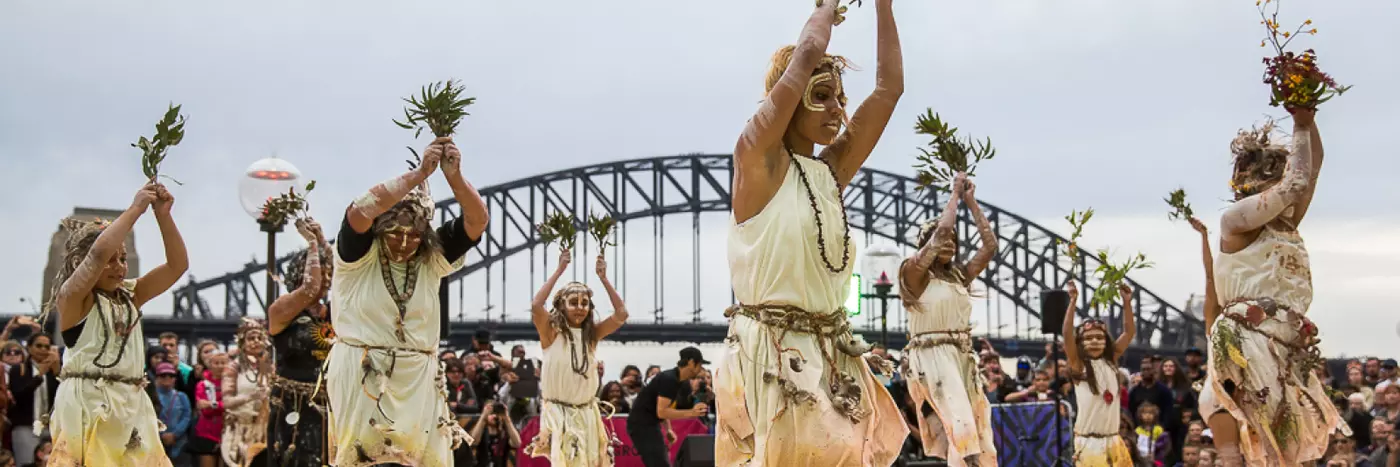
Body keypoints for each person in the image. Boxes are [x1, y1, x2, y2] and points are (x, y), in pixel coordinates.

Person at [718, 0, 907, 465]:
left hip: (830, 354)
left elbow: (889, 89)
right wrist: (825, 9)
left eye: (840, 98)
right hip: (773, 353)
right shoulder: (756, 157)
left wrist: (883, 6)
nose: (836, 109)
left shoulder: (828, 172)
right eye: (821, 95)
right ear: (791, 94)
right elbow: (805, 54)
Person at [327, 138, 486, 466]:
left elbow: (477, 222)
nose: (404, 242)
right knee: (363, 458)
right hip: (363, 372)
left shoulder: (431, 258)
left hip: (418, 375)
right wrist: (418, 175)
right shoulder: (357, 254)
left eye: (414, 235)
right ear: (380, 231)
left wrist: (453, 177)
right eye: (394, 234)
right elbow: (359, 211)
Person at [1201, 109, 1346, 466]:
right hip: (1249, 335)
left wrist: (1307, 114)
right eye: (1276, 175)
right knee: (1274, 439)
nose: (1285, 185)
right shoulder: (1234, 221)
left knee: (1294, 443)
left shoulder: (1286, 222)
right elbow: (1296, 184)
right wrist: (1297, 126)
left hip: (1284, 337)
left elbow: (1312, 169)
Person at [45, 182, 186, 466]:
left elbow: (176, 266)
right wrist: (135, 209)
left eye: (122, 259)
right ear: (82, 263)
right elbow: (97, 254)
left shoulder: (132, 295)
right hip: (87, 402)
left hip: (131, 402)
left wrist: (163, 216)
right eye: (111, 261)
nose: (120, 267)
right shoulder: (73, 298)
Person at [898, 174, 997, 466]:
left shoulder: (958, 276)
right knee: (962, 425)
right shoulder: (913, 273)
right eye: (943, 240)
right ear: (924, 245)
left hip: (960, 355)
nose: (949, 243)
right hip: (931, 356)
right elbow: (941, 232)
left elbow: (990, 247)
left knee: (979, 429)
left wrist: (971, 201)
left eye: (955, 241)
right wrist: (954, 193)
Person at [523, 248, 628, 466]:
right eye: (573, 302)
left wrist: (604, 278)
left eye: (584, 303)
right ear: (562, 305)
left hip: (587, 414)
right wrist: (560, 269)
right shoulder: (551, 333)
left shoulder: (591, 336)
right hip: (558, 412)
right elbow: (536, 306)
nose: (580, 308)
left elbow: (621, 314)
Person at [265, 218, 334, 467]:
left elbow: (347, 282)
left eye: (329, 273)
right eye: (320, 271)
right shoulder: (282, 310)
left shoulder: (334, 313)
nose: (326, 279)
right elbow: (309, 289)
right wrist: (314, 245)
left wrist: (324, 243)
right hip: (292, 404)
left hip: (331, 406)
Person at [1063, 281, 1137, 466]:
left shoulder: (1110, 361)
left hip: (1114, 440)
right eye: (1088, 338)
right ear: (1080, 343)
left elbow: (1129, 332)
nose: (1094, 341)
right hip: (1089, 442)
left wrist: (1126, 302)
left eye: (1099, 337)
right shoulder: (1078, 366)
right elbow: (1066, 336)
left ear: (1106, 341)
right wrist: (1072, 301)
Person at [628, 348, 709, 467]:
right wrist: (692, 412)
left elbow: (662, 407)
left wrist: (668, 429)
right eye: (700, 364)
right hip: (642, 425)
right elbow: (662, 412)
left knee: (660, 462)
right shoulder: (670, 379)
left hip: (647, 424)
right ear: (691, 363)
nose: (701, 369)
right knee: (659, 463)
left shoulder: (677, 380)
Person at [221, 319, 272, 467]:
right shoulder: (233, 367)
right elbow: (227, 402)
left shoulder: (270, 367)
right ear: (243, 342)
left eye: (259, 338)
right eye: (251, 338)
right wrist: (252, 396)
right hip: (240, 430)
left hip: (263, 430)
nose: (256, 342)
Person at [8, 334, 60, 466]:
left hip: (49, 428)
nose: (43, 349)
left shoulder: (52, 371)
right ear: (29, 348)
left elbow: (59, 398)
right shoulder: (18, 369)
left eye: (47, 346)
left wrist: (57, 372)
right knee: (26, 463)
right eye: (39, 345)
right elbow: (19, 396)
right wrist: (39, 376)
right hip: (25, 427)